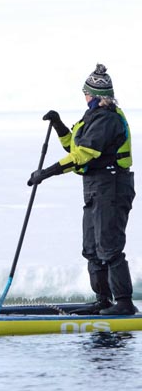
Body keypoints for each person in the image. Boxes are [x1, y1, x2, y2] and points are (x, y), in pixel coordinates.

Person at [27, 64, 136, 315]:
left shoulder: (107, 119)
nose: (84, 96)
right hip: (95, 187)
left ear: (95, 95)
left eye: (86, 93)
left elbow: (84, 155)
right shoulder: (92, 117)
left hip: (112, 186)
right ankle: (103, 300)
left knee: (109, 246)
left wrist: (47, 172)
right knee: (91, 248)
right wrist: (58, 125)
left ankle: (124, 302)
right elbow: (74, 148)